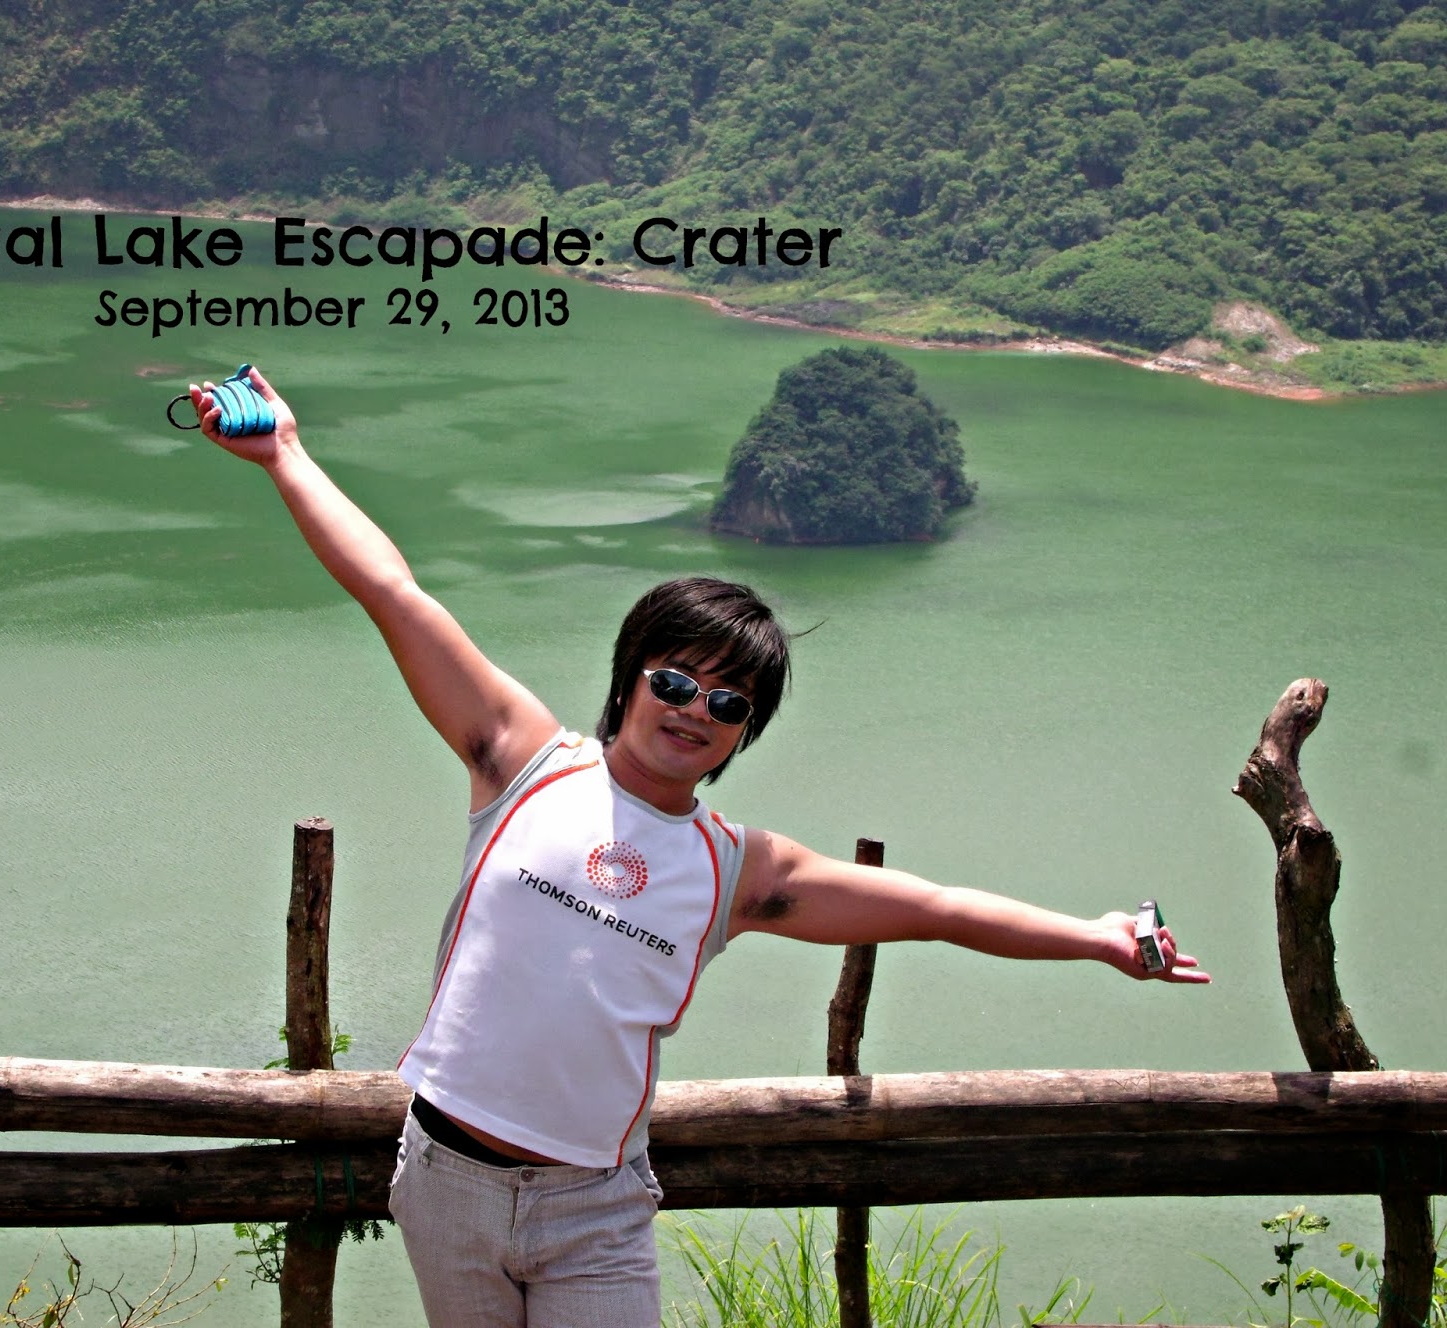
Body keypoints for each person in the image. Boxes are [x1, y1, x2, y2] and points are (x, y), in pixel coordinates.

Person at [189, 367, 1209, 1328]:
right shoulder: (521, 759)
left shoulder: (739, 869)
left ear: (742, 732)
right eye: (675, 680)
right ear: (632, 674)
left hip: (593, 1206)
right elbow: (394, 592)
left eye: (728, 702)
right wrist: (286, 455)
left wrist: (1097, 934)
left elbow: (931, 907)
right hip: (443, 1179)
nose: (693, 709)